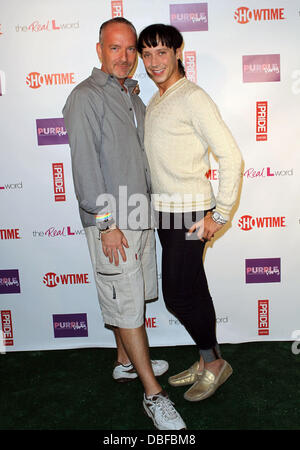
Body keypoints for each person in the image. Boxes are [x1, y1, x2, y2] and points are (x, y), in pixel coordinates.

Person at [62, 17, 186, 430]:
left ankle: (125, 362)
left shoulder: (132, 93)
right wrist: (106, 225)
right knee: (128, 304)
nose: (125, 57)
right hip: (113, 221)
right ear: (99, 50)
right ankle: (154, 394)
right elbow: (84, 168)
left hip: (139, 214)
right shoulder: (85, 97)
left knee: (130, 296)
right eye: (115, 48)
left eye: (131, 49)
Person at [137, 24, 243, 402]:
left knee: (178, 296)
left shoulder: (193, 97)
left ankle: (214, 364)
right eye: (146, 55)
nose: (154, 62)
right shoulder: (158, 98)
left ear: (178, 52)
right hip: (166, 213)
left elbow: (231, 155)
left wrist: (222, 212)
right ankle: (207, 359)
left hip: (190, 214)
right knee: (193, 289)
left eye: (161, 52)